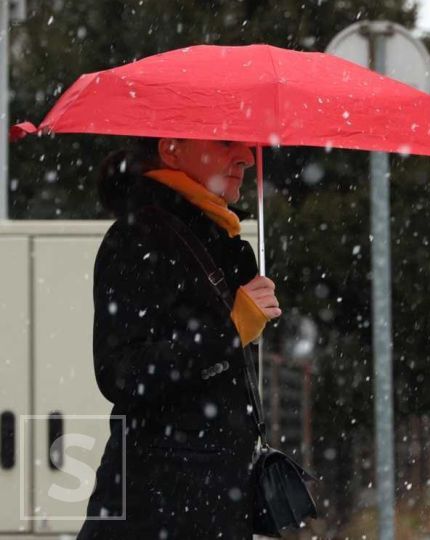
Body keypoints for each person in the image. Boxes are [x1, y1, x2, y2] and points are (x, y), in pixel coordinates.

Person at [77, 138, 280, 539]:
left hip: (204, 503)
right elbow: (120, 372)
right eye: (226, 142)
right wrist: (229, 332)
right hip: (157, 507)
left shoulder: (214, 239)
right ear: (171, 149)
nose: (247, 157)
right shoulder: (137, 239)